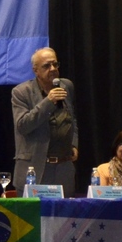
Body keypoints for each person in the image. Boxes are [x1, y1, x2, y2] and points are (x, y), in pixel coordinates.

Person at [11, 47, 79, 196]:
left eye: (55, 64)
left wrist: (74, 143)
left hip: (63, 169)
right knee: (33, 211)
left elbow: (72, 118)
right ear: (36, 70)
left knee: (65, 211)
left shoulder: (66, 86)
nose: (53, 69)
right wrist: (48, 102)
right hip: (35, 169)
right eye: (47, 66)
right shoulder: (21, 92)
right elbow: (22, 125)